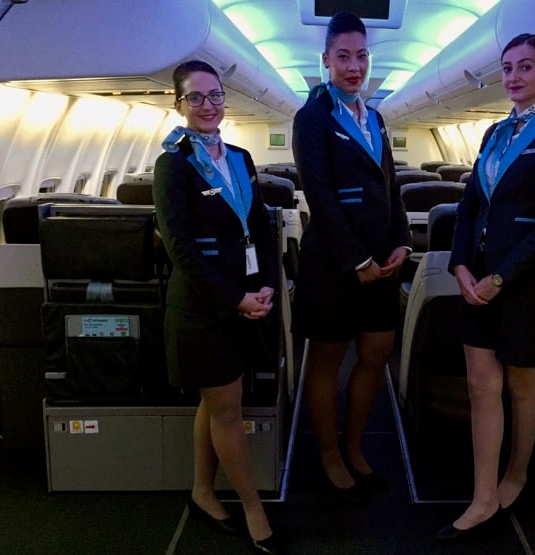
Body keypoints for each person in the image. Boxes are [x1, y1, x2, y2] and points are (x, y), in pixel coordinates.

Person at [436, 34, 535, 541]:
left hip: (524, 282)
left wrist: (502, 278)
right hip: (478, 278)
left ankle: (516, 474)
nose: (514, 76)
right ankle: (482, 498)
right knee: (481, 387)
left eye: (525, 66)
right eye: (507, 68)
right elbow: (470, 206)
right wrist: (460, 265)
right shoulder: (494, 133)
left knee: (521, 381)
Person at [153, 60, 280, 554]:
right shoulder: (173, 164)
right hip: (204, 309)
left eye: (215, 95)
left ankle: (202, 491)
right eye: (196, 97)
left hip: (245, 298)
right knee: (227, 409)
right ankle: (253, 508)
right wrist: (236, 299)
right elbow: (180, 249)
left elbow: (259, 226)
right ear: (179, 104)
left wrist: (265, 285)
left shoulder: (241, 157)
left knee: (214, 403)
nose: (208, 105)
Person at [291, 12, 411, 501]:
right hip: (333, 264)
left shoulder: (375, 117)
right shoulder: (312, 118)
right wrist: (358, 260)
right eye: (343, 56)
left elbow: (391, 186)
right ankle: (328, 453)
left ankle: (354, 444)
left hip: (383, 262)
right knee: (326, 362)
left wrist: (403, 240)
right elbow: (320, 195)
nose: (354, 66)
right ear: (326, 60)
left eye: (361, 56)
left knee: (376, 354)